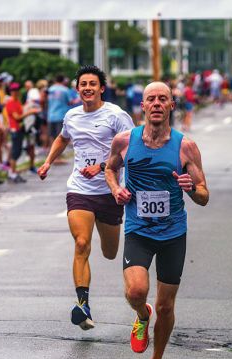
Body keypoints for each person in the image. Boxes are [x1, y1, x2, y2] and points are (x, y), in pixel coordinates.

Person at [105, 81, 209, 359]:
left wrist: (192, 188)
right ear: (143, 106)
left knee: (166, 307)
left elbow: (204, 194)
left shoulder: (185, 147)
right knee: (137, 292)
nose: (156, 104)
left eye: (163, 99)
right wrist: (116, 189)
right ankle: (141, 314)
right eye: (151, 99)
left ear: (171, 105)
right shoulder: (125, 141)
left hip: (173, 233)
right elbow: (109, 170)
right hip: (138, 228)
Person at [37, 65, 135, 330]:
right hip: (79, 189)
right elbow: (61, 138)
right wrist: (47, 162)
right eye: (83, 84)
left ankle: (89, 298)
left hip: (109, 192)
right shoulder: (71, 116)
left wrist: (104, 166)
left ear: (101, 88)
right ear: (77, 88)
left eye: (93, 84)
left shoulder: (116, 115)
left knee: (110, 252)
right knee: (81, 243)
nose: (88, 88)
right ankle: (82, 304)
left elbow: (132, 149)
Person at [5, 82, 39, 183]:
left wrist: (27, 107)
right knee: (15, 152)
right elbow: (17, 117)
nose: (16, 92)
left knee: (18, 151)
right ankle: (12, 174)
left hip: (20, 130)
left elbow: (21, 113)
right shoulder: (10, 103)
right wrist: (30, 112)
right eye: (14, 90)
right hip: (15, 129)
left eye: (17, 90)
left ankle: (13, 173)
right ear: (11, 91)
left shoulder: (17, 102)